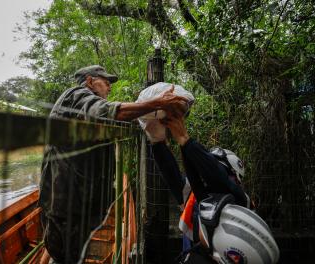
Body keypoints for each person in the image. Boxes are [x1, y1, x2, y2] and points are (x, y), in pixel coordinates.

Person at [38, 65, 188, 263]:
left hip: (78, 200)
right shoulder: (76, 96)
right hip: (66, 202)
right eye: (106, 82)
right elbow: (109, 112)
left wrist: (147, 118)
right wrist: (156, 104)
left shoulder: (86, 108)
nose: (109, 87)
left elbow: (115, 119)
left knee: (68, 249)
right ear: (90, 81)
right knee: (66, 255)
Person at [146, 109, 279, 263]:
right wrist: (157, 141)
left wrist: (186, 141)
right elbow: (173, 176)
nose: (204, 170)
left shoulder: (241, 202)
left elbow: (218, 179)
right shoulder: (200, 195)